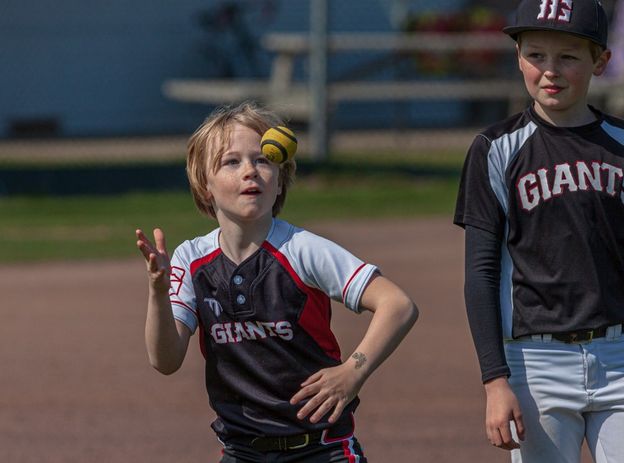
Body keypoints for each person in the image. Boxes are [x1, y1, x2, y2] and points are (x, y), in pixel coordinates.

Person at [454, 1, 624, 461]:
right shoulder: (495, 150)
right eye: (536, 55)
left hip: (621, 362)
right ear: (518, 56)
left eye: (568, 57)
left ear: (601, 61)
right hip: (533, 366)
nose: (550, 71)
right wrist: (494, 380)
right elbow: (481, 274)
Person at [136, 102, 418, 462]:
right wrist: (158, 293)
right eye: (231, 162)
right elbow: (165, 359)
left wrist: (352, 372)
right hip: (241, 451)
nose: (250, 171)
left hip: (321, 449)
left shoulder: (302, 249)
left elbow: (398, 305)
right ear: (205, 184)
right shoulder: (191, 259)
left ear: (280, 178)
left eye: (264, 160)